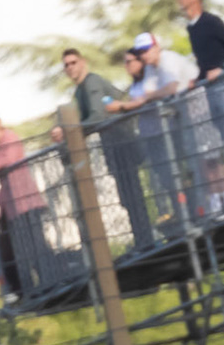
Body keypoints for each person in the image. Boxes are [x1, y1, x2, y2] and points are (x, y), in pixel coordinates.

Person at [53, 48, 157, 249]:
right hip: (113, 145)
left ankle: (146, 241)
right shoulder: (80, 90)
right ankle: (143, 240)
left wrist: (70, 131)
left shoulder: (91, 83)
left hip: (122, 142)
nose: (70, 67)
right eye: (66, 65)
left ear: (83, 62)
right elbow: (86, 121)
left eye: (73, 62)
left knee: (132, 195)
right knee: (128, 196)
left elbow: (97, 117)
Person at [174, 0, 224, 214]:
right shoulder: (191, 28)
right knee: (218, 144)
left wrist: (220, 68)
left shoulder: (211, 21)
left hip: (222, 87)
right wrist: (199, 76)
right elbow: (204, 60)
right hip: (209, 91)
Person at [118, 32, 202, 227]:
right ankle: (189, 214)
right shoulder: (150, 69)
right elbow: (151, 93)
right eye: (141, 52)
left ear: (157, 47)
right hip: (182, 118)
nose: (144, 55)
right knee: (178, 172)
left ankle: (206, 208)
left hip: (196, 111)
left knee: (202, 164)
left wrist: (151, 96)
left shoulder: (168, 60)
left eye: (146, 49)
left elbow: (170, 89)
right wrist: (153, 95)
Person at [0, 111, 49, 298]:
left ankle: (46, 281)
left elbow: (7, 161)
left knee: (35, 242)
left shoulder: (9, 137)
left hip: (25, 199)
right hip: (9, 204)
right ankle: (21, 289)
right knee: (9, 244)